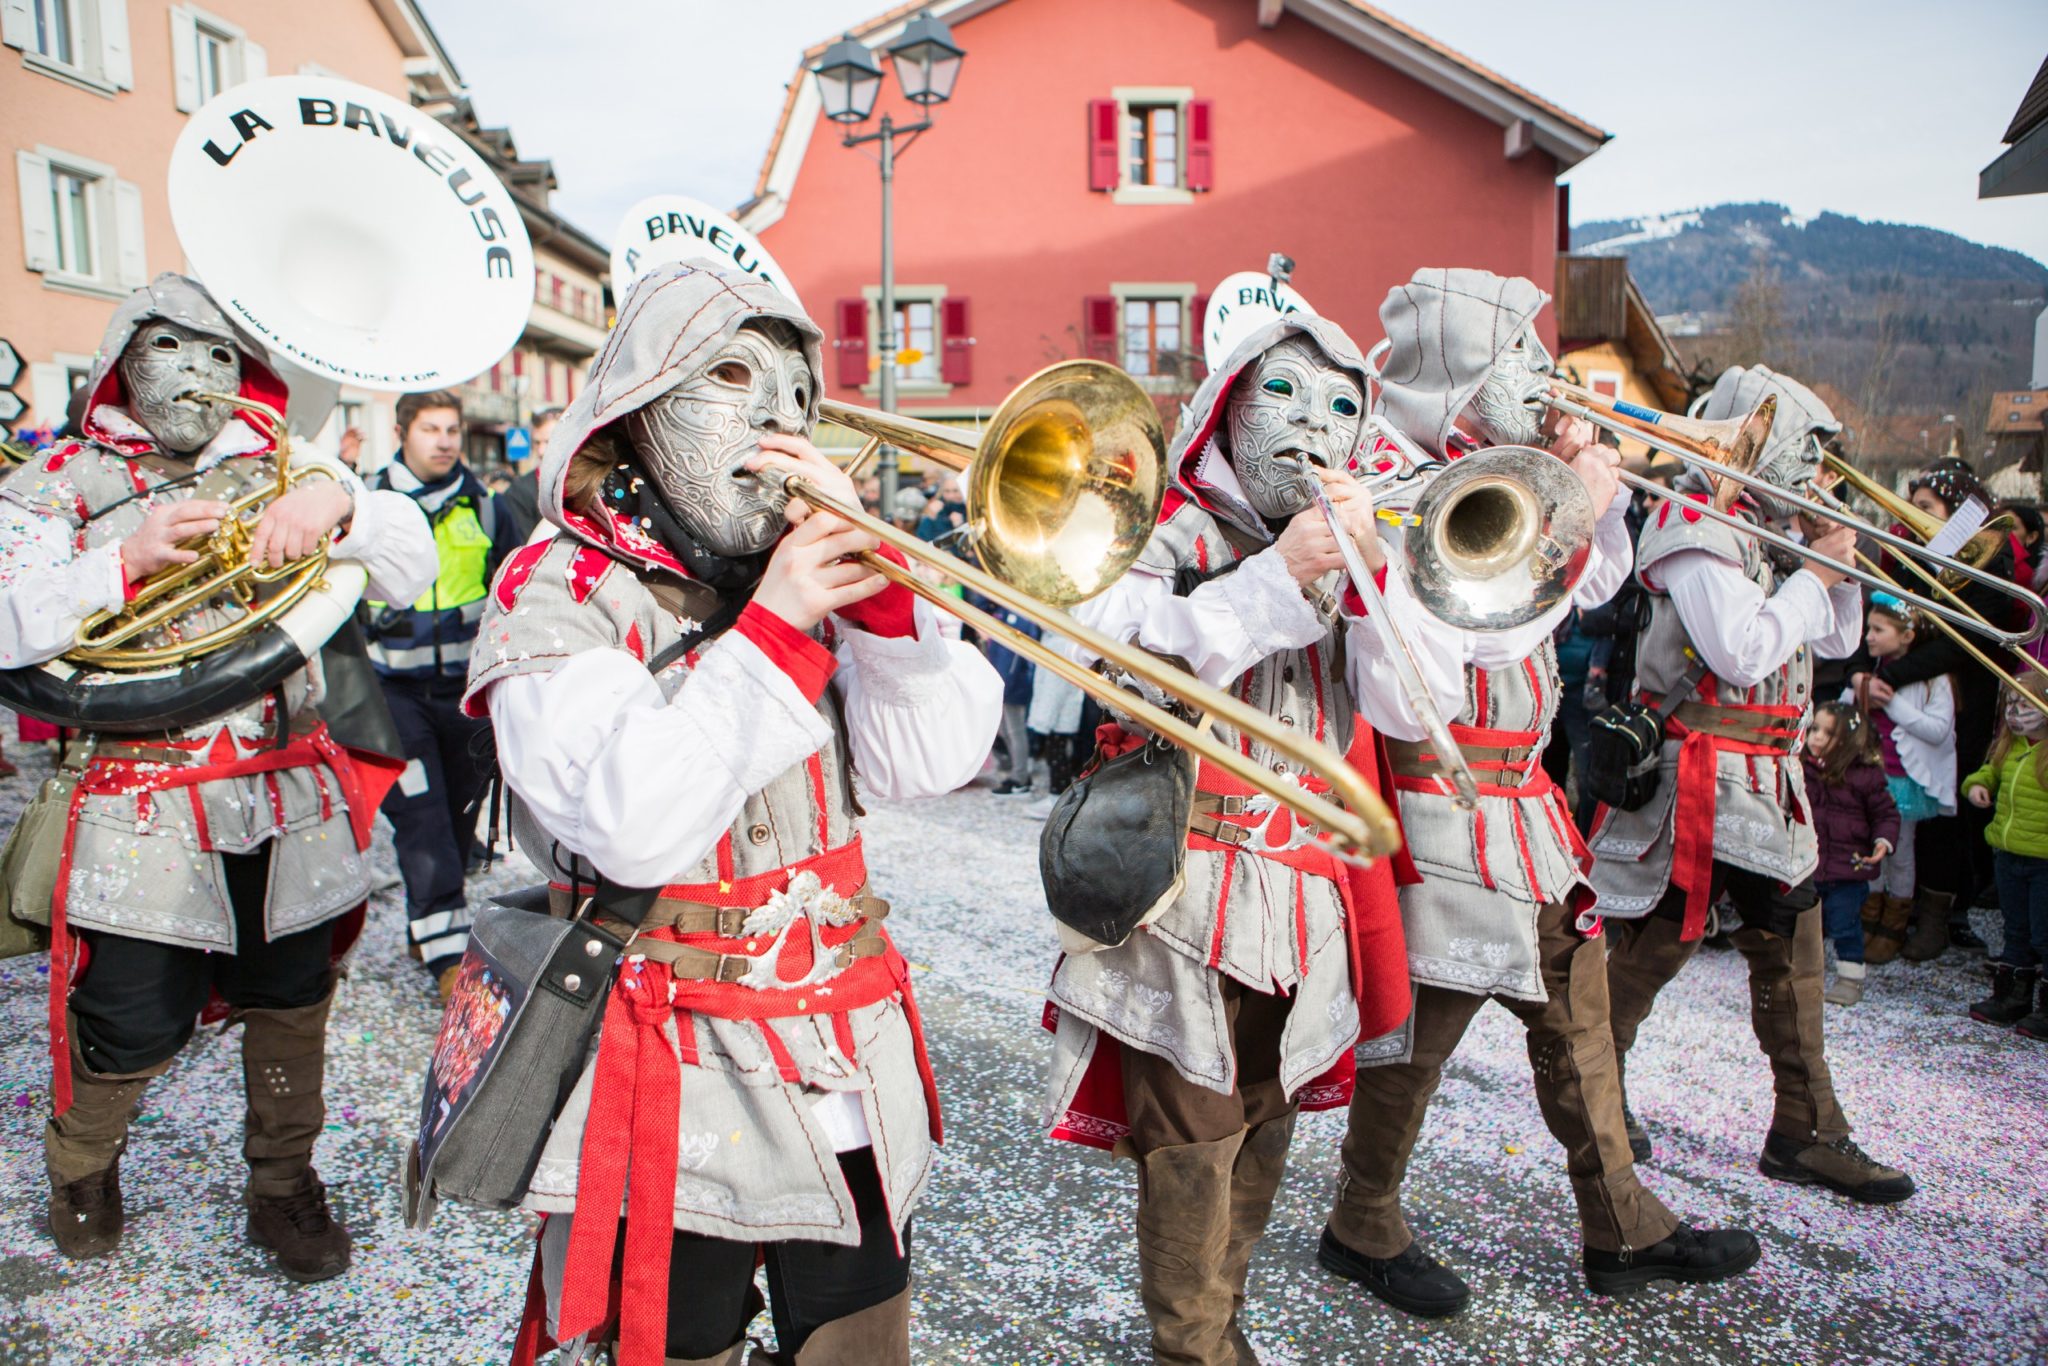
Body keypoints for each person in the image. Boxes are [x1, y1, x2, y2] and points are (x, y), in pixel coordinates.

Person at [462, 261, 1000, 1366]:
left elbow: (928, 764)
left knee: (860, 1334)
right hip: (667, 1056)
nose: (774, 419)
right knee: (678, 1340)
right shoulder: (555, 584)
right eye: (730, 375)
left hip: (842, 1045)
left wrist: (894, 622)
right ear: (642, 404)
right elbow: (630, 823)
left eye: (799, 396)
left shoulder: (796, 568)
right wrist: (783, 624)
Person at [1321, 269, 1757, 1317]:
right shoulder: (1393, 482)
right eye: (1517, 355)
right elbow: (1472, 638)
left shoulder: (1502, 469)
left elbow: (1593, 589)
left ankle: (1621, 1224)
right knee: (1414, 1044)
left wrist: (1582, 509)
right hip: (1440, 805)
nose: (1543, 377)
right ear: (1461, 377)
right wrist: (1573, 518)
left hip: (1527, 812)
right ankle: (1360, 1218)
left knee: (1578, 1019)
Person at [0, 273, 434, 1276]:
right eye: (168, 348)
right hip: (136, 797)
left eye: (217, 355)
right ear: (118, 359)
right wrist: (125, 560)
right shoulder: (59, 478)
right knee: (128, 1014)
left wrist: (339, 503)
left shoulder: (287, 466)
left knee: (291, 997)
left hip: (287, 794)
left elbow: (409, 567)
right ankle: (83, 1165)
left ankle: (283, 1186)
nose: (195, 375)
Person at [1041, 304, 1418, 1363]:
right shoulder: (1161, 528)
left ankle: (1221, 1331)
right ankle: (1192, 1348)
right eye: (1285, 396)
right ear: (1230, 406)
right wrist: (1274, 577)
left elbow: (1400, 707)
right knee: (1193, 1139)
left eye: (1342, 407)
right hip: (1184, 886)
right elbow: (1117, 651)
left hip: (1301, 894)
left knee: (1266, 1115)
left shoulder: (1351, 544)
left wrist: (1374, 583)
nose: (1313, 425)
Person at [1588, 364, 1915, 1205]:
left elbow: (1835, 643)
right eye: (1803, 455)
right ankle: (1596, 1101)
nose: (1812, 475)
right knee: (1653, 953)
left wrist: (1837, 566)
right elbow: (1739, 651)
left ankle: (1807, 1130)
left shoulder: (1770, 533)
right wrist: (1812, 578)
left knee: (1796, 963)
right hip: (1698, 777)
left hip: (1770, 786)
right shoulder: (1695, 525)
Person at [365, 390, 523, 997]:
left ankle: (429, 922)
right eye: (431, 428)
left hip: (463, 694)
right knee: (421, 816)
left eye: (453, 428)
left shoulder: (487, 506)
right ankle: (446, 957)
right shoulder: (367, 503)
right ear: (403, 431)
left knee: (459, 814)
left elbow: (512, 590)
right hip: (392, 694)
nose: (446, 440)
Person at [1856, 460, 2012, 957]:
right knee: (1896, 802)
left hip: (1958, 696)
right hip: (1904, 693)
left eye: (1926, 508)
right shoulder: (1914, 555)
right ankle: (1891, 907)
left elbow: (1964, 639)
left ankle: (1938, 913)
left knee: (1944, 805)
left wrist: (1894, 674)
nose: (1915, 515)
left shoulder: (1988, 558)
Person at [1849, 593, 1956, 964]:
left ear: (1907, 635)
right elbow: (1849, 710)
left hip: (1903, 780)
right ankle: (1869, 914)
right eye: (1868, 629)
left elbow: (1938, 730)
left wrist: (1891, 702)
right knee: (1867, 845)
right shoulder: (1871, 669)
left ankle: (1894, 923)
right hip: (1870, 777)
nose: (1869, 637)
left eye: (1878, 630)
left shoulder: (1932, 679)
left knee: (1899, 851)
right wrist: (1860, 690)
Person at [1963, 684, 2048, 1038]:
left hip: (2044, 860)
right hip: (2007, 852)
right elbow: (1988, 772)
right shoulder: (2009, 745)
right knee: (2014, 930)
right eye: (2010, 703)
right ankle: (2011, 996)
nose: (2015, 712)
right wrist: (1977, 785)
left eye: (2024, 703)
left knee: (2044, 933)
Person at [1802, 701, 1899, 1006]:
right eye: (1814, 728)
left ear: (1847, 741)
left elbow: (1886, 814)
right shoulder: (1800, 768)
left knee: (1844, 924)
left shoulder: (1865, 776)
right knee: (1804, 925)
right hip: (1807, 866)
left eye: (1827, 732)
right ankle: (1804, 975)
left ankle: (1850, 978)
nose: (1816, 737)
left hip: (1848, 869)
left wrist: (1882, 840)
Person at [495, 406, 557, 546]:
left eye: (548, 441)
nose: (541, 451)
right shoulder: (519, 491)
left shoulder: (586, 484)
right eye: (537, 443)